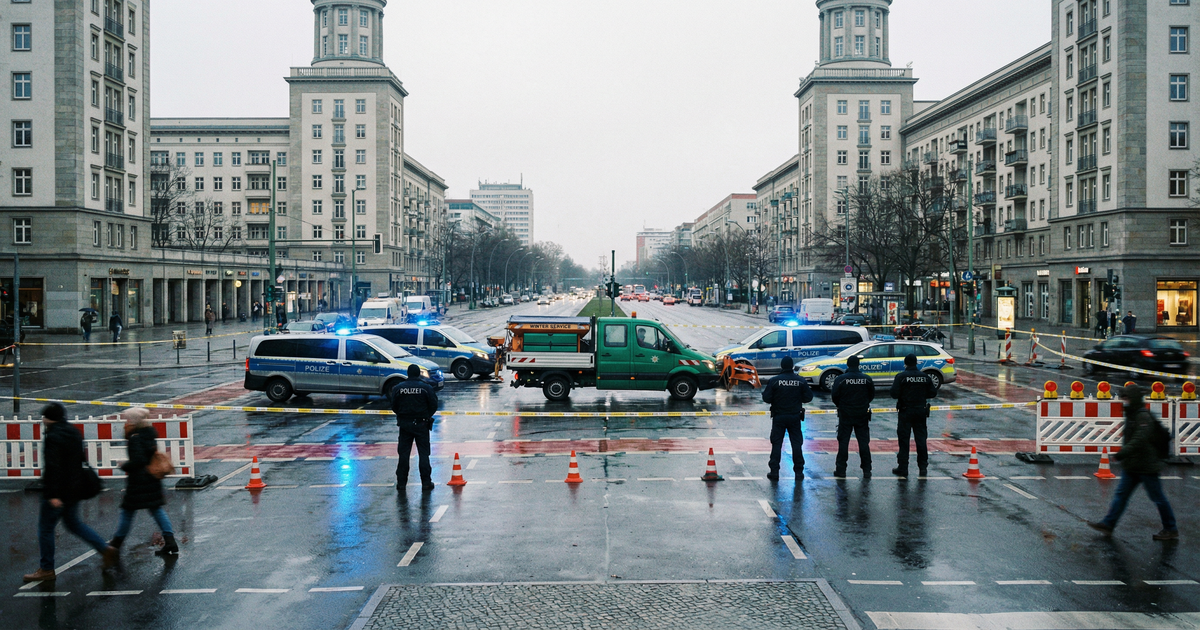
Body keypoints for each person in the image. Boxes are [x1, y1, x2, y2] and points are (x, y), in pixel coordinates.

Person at [23, 403, 117, 582]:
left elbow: (53, 467)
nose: (42, 420)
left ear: (49, 418)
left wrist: (53, 494)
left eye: (44, 417)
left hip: (58, 491)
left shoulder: (53, 436)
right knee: (74, 524)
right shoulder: (73, 432)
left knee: (45, 529)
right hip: (74, 489)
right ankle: (105, 549)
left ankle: (46, 569)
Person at [1088, 384, 1178, 540]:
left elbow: (1139, 440)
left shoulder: (1142, 416)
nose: (1124, 401)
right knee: (1121, 495)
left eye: (1126, 398)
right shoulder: (1132, 414)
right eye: (1123, 398)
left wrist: (1122, 453)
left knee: (1157, 497)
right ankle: (1108, 524)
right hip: (1133, 465)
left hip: (1146, 465)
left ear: (1134, 399)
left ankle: (1171, 529)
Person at [109, 408, 178, 557]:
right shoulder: (149, 433)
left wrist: (124, 465)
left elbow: (138, 460)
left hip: (139, 481)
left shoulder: (135, 437)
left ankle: (115, 544)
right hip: (151, 478)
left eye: (128, 419)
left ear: (133, 421)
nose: (126, 422)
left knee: (127, 512)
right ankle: (170, 541)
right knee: (156, 509)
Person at [761, 356, 814, 481]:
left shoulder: (775, 380)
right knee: (796, 444)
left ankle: (774, 472)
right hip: (795, 416)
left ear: (782, 366)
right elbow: (808, 398)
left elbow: (766, 398)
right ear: (791, 366)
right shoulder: (800, 381)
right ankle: (799, 472)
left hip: (779, 416)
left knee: (776, 444)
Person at [391, 364, 439, 491]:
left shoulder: (398, 388)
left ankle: (401, 483)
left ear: (408, 373)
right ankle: (426, 482)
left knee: (404, 454)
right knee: (423, 454)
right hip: (422, 424)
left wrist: (402, 415)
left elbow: (394, 406)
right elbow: (434, 405)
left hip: (405, 424)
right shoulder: (426, 388)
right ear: (418, 374)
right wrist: (426, 415)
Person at [889, 354, 937, 477]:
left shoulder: (901, 377)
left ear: (905, 363)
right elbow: (932, 393)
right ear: (916, 363)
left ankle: (903, 467)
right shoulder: (924, 377)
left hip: (905, 411)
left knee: (904, 440)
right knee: (921, 440)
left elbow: (894, 393)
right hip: (920, 411)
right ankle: (923, 467)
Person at [831, 355, 875, 478]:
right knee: (863, 442)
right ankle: (867, 469)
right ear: (858, 365)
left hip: (845, 414)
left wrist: (841, 405)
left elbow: (835, 396)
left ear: (848, 365)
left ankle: (841, 470)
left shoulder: (841, 379)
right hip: (862, 414)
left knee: (843, 442)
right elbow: (871, 395)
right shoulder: (866, 379)